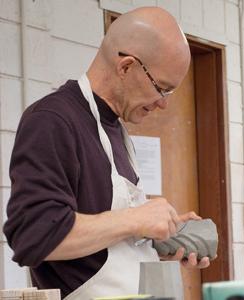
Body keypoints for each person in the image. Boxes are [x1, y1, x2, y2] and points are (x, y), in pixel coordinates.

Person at [3, 7, 211, 299]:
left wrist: (161, 237)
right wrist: (136, 219)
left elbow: (102, 248)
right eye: (161, 89)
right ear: (126, 66)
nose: (163, 104)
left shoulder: (117, 132)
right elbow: (33, 236)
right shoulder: (52, 120)